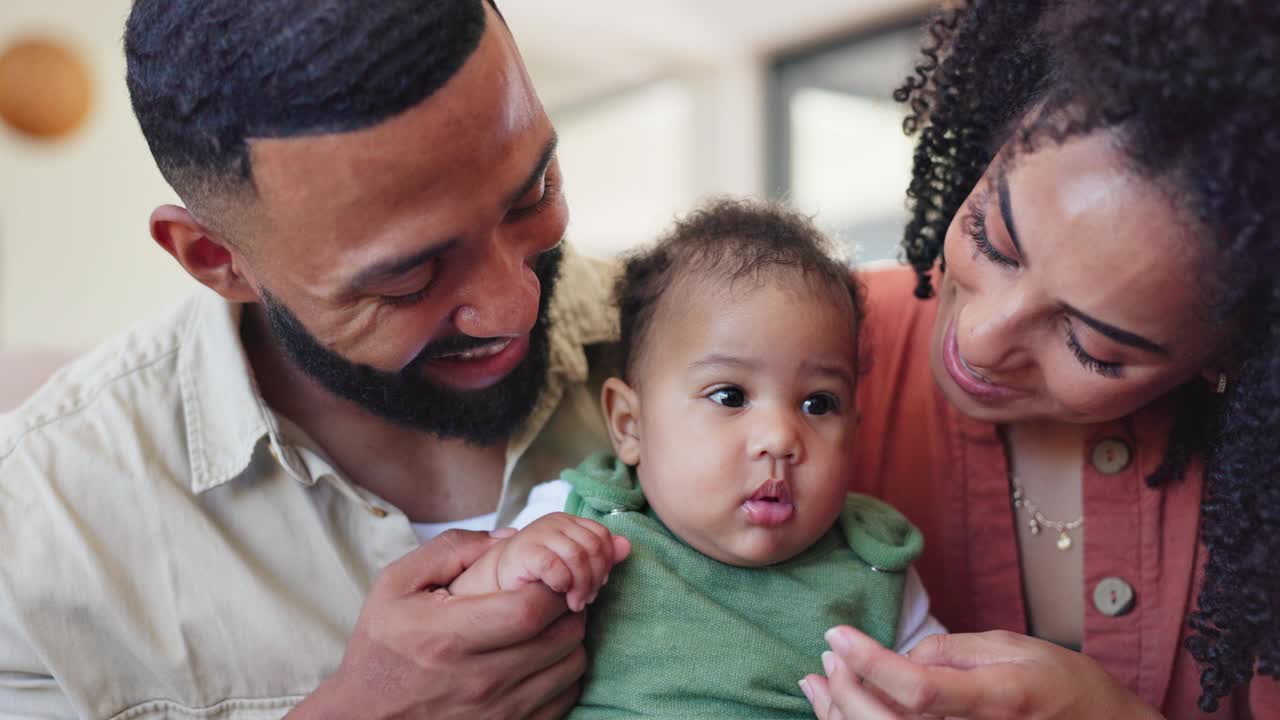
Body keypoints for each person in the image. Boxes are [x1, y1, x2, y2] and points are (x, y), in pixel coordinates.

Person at [0, 1, 626, 718]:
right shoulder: (33, 535)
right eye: (407, 277)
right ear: (217, 260)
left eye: (533, 193)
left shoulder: (740, 351)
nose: (511, 306)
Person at [798, 1, 1280, 718]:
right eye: (992, 239)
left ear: (1229, 362)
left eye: (1094, 346)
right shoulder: (807, 346)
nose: (982, 339)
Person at [449, 199, 945, 718]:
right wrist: (507, 568)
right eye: (729, 396)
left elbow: (936, 693)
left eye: (818, 403)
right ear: (629, 425)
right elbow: (460, 636)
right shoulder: (576, 520)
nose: (779, 438)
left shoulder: (874, 566)